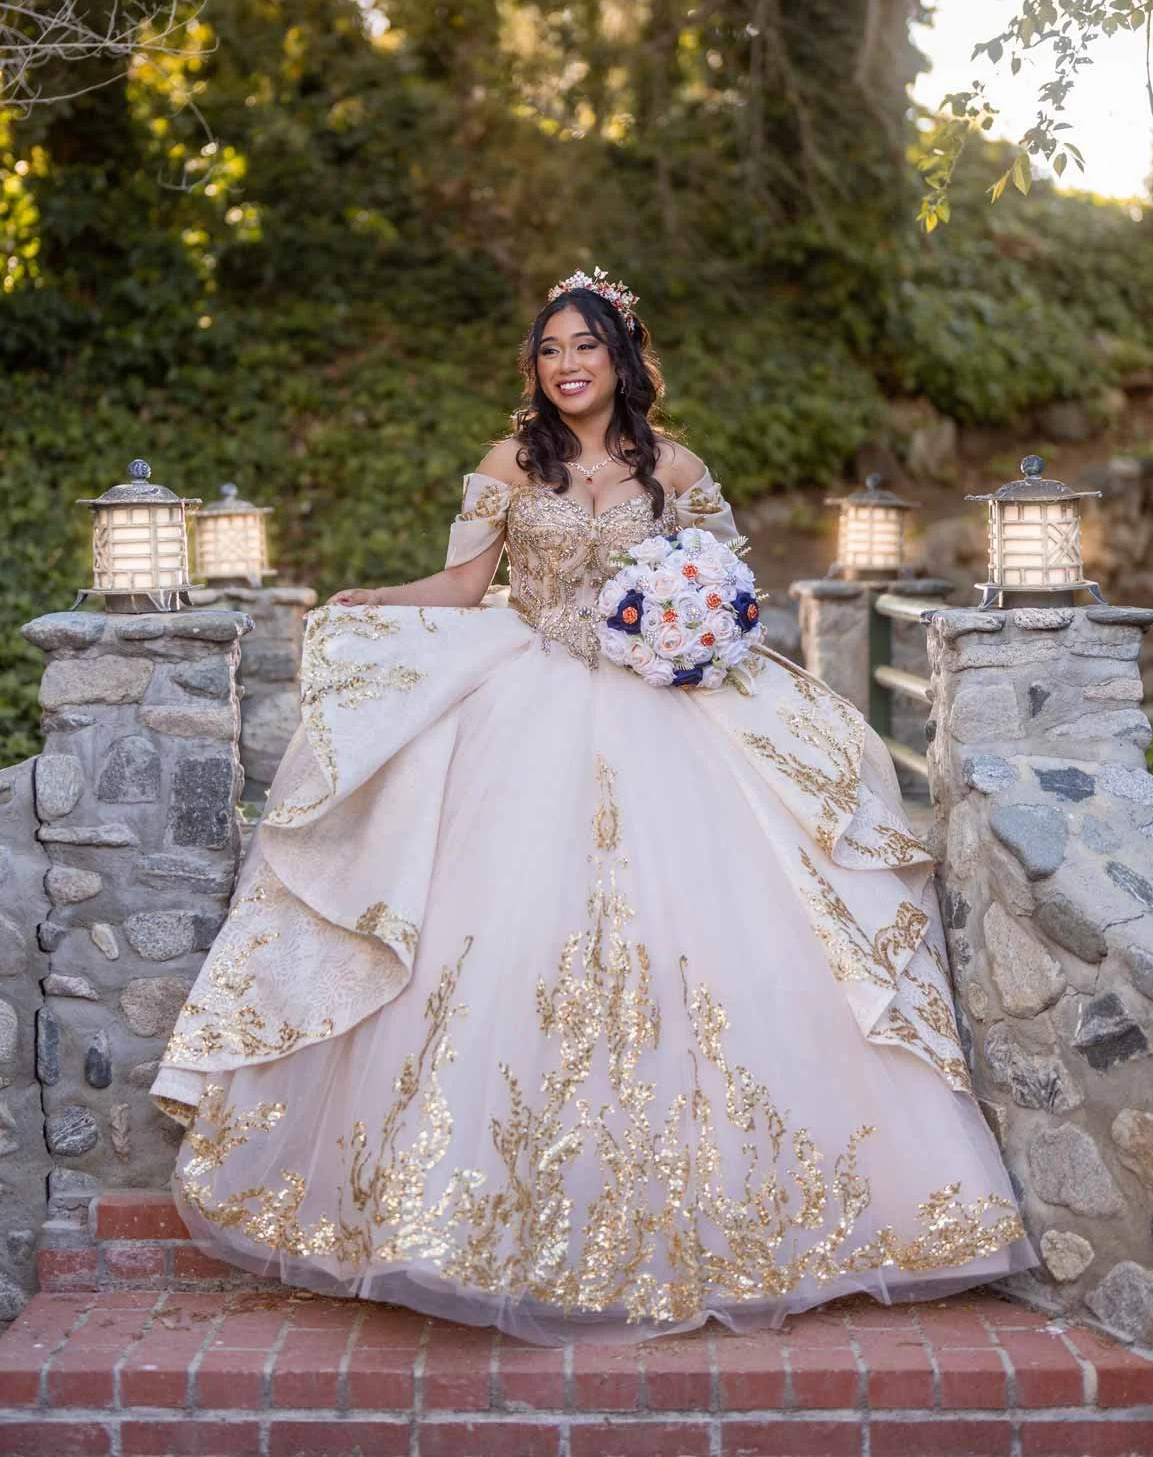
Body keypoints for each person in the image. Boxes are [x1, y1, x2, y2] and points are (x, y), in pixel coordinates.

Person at [152, 268, 1032, 1345]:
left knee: (722, 932)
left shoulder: (677, 468)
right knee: (500, 931)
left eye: (585, 346)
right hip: (527, 702)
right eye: (549, 349)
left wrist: (693, 629)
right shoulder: (507, 465)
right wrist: (376, 600)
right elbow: (462, 589)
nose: (566, 364)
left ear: (621, 357)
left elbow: (727, 592)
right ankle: (460, 1217)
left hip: (667, 711)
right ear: (534, 367)